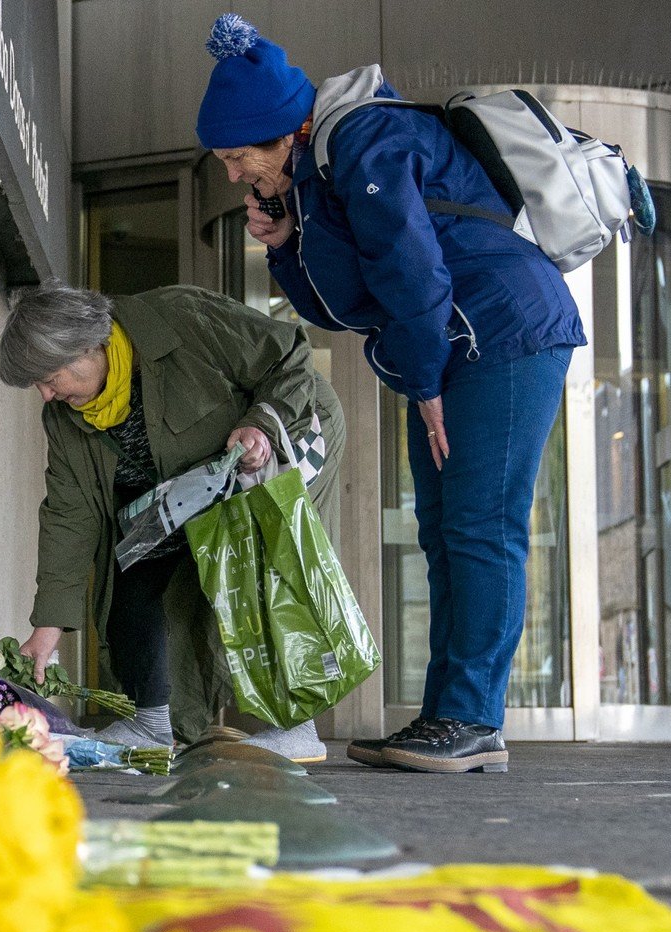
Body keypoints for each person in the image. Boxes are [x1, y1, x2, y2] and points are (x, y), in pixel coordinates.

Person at [195, 14, 585, 774]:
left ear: (284, 132)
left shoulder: (364, 139)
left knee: (480, 526)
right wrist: (281, 247)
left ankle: (473, 717)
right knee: (442, 529)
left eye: (240, 157)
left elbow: (414, 273)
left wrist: (427, 383)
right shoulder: (313, 175)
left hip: (505, 334)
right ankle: (451, 715)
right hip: (456, 344)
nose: (236, 174)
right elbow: (343, 307)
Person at [0, 282, 345, 762]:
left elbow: (286, 355)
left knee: (262, 556)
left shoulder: (178, 319)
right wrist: (49, 626)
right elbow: (69, 517)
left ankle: (297, 724)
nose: (46, 395)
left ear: (87, 347)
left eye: (50, 377)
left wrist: (262, 421)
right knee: (133, 559)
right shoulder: (64, 420)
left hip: (288, 434)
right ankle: (154, 724)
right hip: (190, 481)